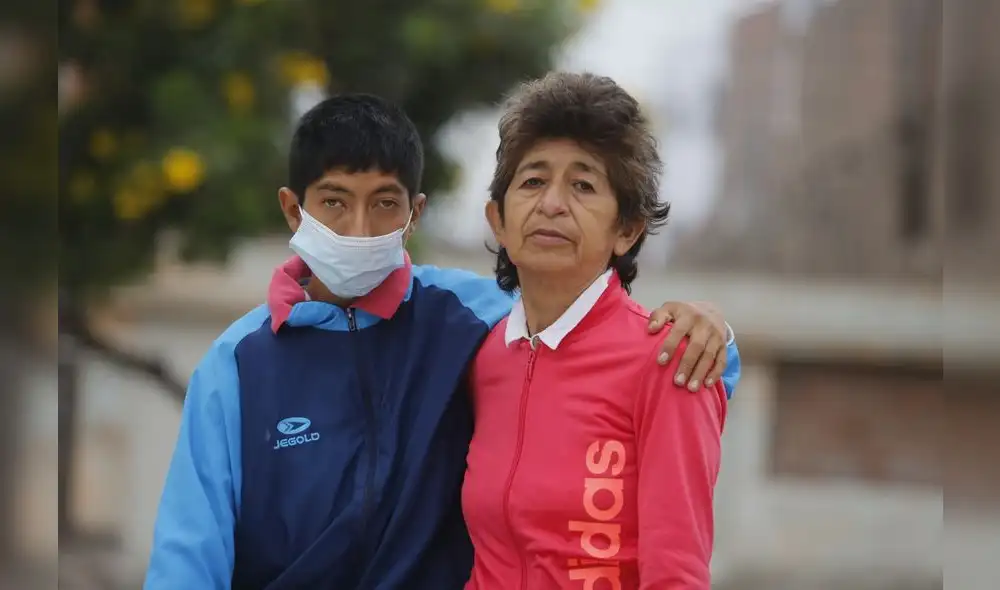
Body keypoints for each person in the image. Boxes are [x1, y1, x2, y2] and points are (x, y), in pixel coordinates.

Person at [143, 94, 740, 589]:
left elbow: (626, 347)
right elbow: (187, 560)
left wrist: (711, 329)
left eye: (384, 204)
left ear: (415, 214)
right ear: (294, 211)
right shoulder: (237, 363)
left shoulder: (467, 321)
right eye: (333, 202)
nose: (358, 228)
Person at [464, 72, 727, 589]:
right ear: (498, 219)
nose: (552, 204)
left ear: (626, 230)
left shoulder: (671, 358)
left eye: (583, 185)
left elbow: (676, 575)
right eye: (533, 181)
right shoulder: (481, 357)